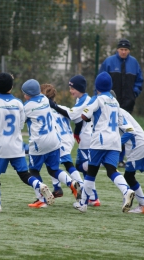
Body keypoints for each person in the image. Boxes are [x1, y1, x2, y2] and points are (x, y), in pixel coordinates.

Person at [0, 73, 55, 213]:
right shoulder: (18, 103)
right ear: (11, 86)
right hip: (16, 146)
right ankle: (39, 184)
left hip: (0, 147)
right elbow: (22, 123)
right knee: (24, 174)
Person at [73, 71, 135, 213]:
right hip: (114, 141)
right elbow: (125, 125)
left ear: (97, 86)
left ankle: (83, 203)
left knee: (91, 172)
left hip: (99, 140)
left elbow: (84, 115)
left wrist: (88, 117)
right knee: (111, 170)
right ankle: (126, 191)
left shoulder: (97, 99)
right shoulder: (115, 101)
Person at [21, 79, 81, 208]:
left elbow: (21, 123)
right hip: (54, 140)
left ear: (27, 94)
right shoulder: (44, 99)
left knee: (33, 171)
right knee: (54, 169)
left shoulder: (27, 107)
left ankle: (41, 200)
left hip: (39, 143)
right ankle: (71, 183)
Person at [48, 75, 100, 206]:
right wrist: (76, 132)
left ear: (80, 88)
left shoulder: (85, 101)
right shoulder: (80, 99)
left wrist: (54, 106)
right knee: (79, 166)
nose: (71, 91)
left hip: (88, 137)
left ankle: (90, 196)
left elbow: (71, 114)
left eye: (73, 88)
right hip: (84, 136)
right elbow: (78, 119)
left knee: (84, 167)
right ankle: (91, 196)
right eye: (70, 88)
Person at [99, 38, 144, 167]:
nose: (123, 52)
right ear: (117, 50)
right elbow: (100, 79)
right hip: (110, 103)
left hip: (127, 104)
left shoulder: (134, 63)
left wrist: (133, 94)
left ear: (129, 51)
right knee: (110, 129)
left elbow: (139, 81)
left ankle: (121, 159)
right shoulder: (109, 62)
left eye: (126, 50)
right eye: (121, 49)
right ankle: (107, 157)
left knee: (125, 131)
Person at [40, 83, 84, 200]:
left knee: (53, 165)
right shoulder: (63, 108)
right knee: (66, 164)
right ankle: (58, 188)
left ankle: (80, 186)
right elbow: (76, 118)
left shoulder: (46, 111)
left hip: (58, 141)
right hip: (69, 140)